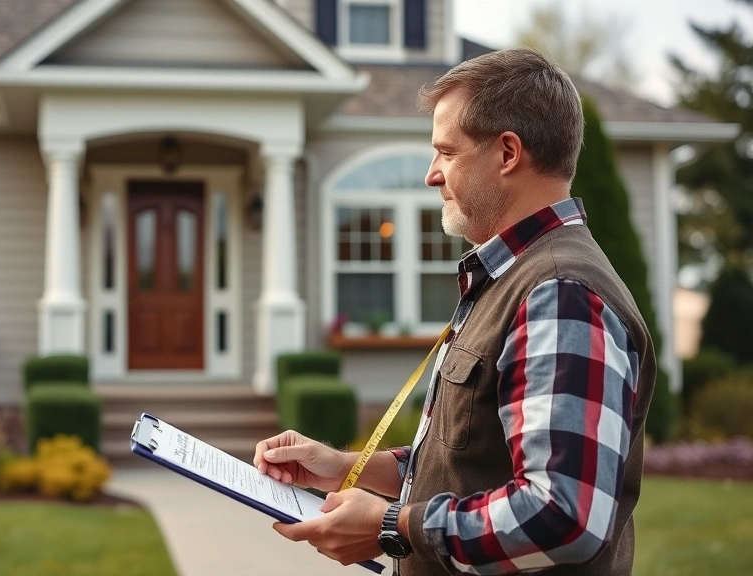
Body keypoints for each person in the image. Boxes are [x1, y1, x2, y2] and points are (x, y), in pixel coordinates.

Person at [254, 48, 658, 576]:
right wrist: (345, 468)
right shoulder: (514, 277)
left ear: (508, 153)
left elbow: (563, 516)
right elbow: (469, 460)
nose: (431, 175)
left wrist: (392, 526)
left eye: (446, 152)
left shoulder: (559, 293)